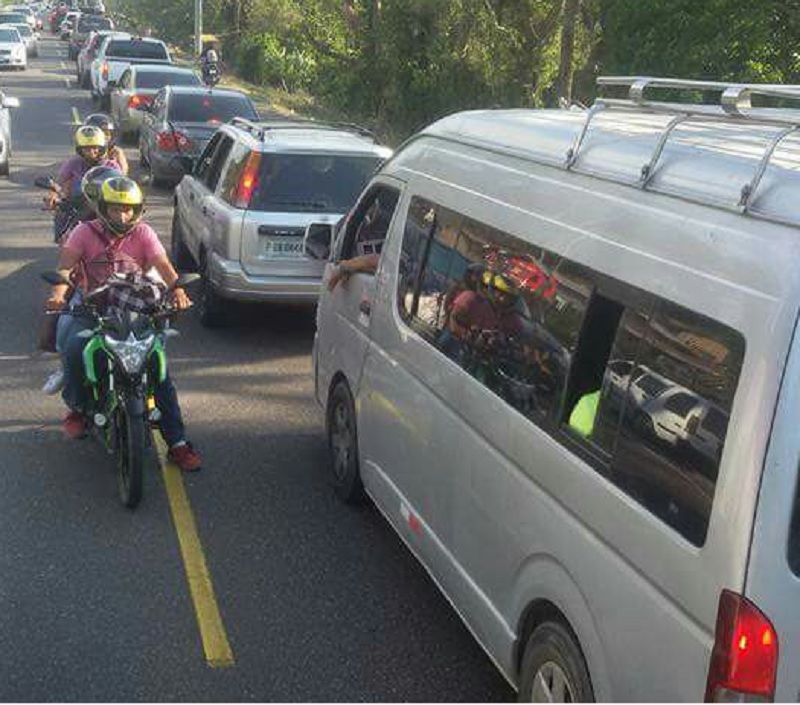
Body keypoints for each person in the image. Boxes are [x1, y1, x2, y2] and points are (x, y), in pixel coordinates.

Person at [45, 176, 203, 472]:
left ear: (138, 209)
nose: (123, 215)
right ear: (103, 207)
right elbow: (65, 268)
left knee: (159, 371)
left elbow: (164, 267)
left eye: (129, 209)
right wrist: (57, 293)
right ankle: (78, 408)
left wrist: (177, 289)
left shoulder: (144, 233)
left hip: (134, 307)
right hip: (91, 304)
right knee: (73, 347)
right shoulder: (83, 231)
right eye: (116, 209)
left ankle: (178, 443)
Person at [44, 124, 121, 241]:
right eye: (87, 148)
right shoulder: (73, 163)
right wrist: (53, 194)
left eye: (95, 147)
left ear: (103, 147)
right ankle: (65, 247)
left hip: (105, 208)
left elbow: (121, 185)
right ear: (80, 150)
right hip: (77, 206)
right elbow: (60, 181)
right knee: (63, 226)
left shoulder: (112, 166)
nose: (91, 152)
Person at [327, 198, 391, 291]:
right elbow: (336, 260)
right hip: (358, 286)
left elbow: (394, 264)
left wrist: (352, 265)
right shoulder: (348, 225)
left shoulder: (394, 225)